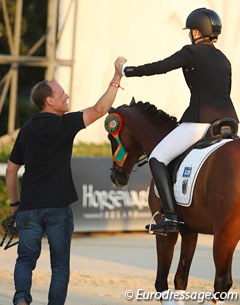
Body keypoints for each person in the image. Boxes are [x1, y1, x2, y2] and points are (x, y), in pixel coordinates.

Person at [5, 56, 126, 305]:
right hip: (58, 208)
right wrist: (117, 77)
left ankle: (21, 299)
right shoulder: (64, 124)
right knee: (60, 266)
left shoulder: (26, 129)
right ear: (49, 100)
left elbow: (10, 170)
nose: (67, 95)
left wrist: (15, 206)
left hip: (28, 208)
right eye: (61, 93)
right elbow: (100, 110)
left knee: (25, 260)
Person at [121, 8, 240, 234]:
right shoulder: (223, 59)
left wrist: (127, 71)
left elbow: (160, 67)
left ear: (196, 32)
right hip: (228, 122)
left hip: (199, 122)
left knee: (157, 158)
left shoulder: (191, 52)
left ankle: (171, 217)